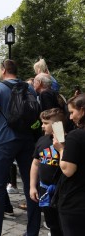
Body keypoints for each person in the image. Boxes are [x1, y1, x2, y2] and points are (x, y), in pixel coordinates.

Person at [0, 59, 41, 236]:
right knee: (30, 185)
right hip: (26, 139)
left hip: (5, 140)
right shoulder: (28, 87)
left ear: (3, 70)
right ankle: (32, 232)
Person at [53, 94, 85, 235]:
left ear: (82, 110)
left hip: (76, 202)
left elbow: (68, 169)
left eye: (72, 112)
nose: (71, 117)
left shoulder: (76, 136)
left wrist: (61, 149)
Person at [30, 108, 64, 236]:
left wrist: (61, 144)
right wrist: (32, 186)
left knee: (63, 224)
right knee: (52, 223)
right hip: (44, 190)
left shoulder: (68, 141)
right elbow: (35, 163)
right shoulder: (42, 141)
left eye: (45, 123)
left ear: (57, 124)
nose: (42, 126)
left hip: (62, 191)